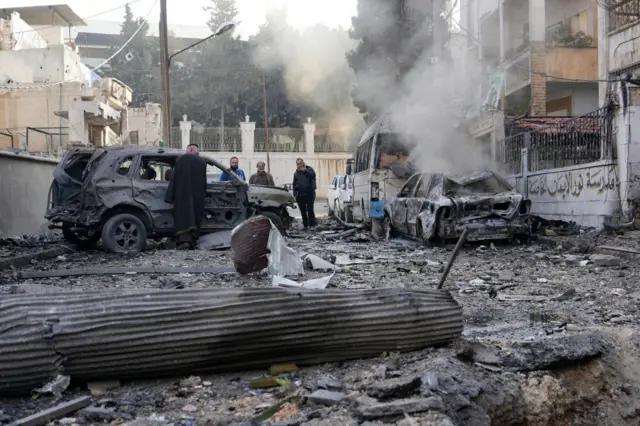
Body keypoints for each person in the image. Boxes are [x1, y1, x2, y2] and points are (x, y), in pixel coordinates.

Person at [164, 151, 207, 250]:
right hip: (197, 196)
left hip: (181, 195)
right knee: (195, 216)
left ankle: (183, 241)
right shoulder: (201, 162)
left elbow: (172, 178)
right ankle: (192, 242)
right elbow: (204, 183)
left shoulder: (181, 160)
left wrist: (170, 196)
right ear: (196, 151)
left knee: (182, 216)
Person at [292, 158, 316, 229]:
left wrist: (305, 171)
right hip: (300, 195)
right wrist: (294, 193)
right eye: (298, 164)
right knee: (303, 211)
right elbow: (294, 184)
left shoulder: (309, 169)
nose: (299, 165)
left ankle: (311, 225)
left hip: (309, 193)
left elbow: (313, 175)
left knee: (310, 210)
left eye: (300, 163)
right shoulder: (296, 173)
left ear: (303, 163)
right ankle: (305, 225)